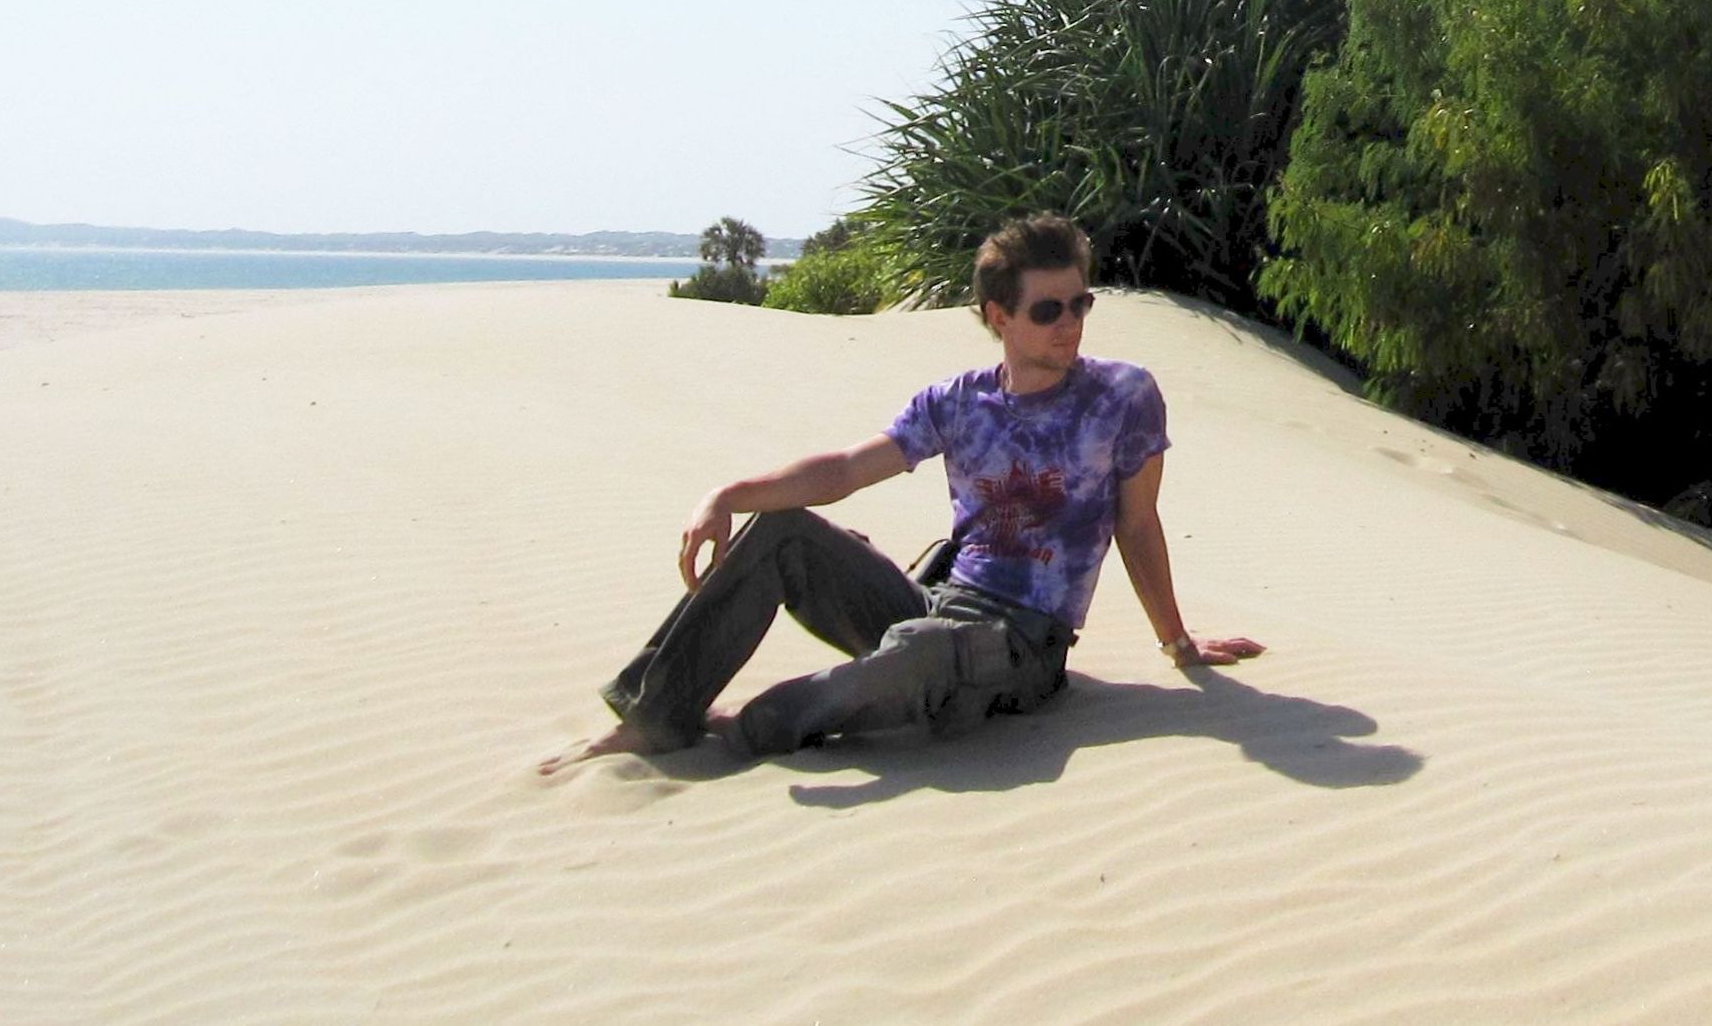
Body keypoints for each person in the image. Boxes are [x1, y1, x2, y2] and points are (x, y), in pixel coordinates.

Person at [540, 213, 1263, 769]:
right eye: (1049, 310)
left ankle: (746, 731)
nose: (1069, 324)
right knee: (785, 530)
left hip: (1022, 647)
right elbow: (847, 470)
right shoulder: (957, 401)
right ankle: (656, 719)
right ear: (999, 317)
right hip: (936, 601)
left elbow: (1138, 524)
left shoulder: (1122, 396)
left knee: (915, 654)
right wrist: (728, 495)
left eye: (1081, 304)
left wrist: (1178, 642)